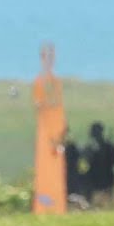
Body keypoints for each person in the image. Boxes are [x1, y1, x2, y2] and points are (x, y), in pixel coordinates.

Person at [32, 43, 67, 214]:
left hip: (56, 128)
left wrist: (59, 133)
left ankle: (57, 205)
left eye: (51, 56)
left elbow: (58, 106)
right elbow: (39, 104)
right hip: (45, 130)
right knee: (45, 168)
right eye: (46, 56)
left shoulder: (56, 82)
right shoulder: (39, 82)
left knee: (56, 168)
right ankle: (44, 204)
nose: (49, 60)